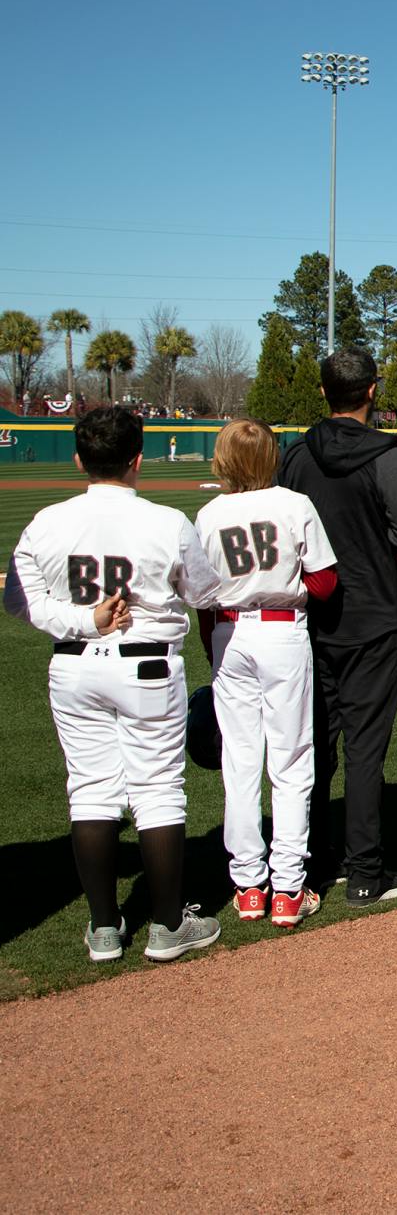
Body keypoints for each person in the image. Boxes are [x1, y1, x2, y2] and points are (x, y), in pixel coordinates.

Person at [6, 406, 226, 962]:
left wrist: (83, 621)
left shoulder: (47, 522)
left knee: (90, 788)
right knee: (156, 790)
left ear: (79, 458)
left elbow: (19, 601)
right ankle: (168, 927)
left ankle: (105, 928)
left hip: (75, 666)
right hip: (148, 665)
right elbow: (203, 594)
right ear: (138, 458)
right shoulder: (165, 520)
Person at [279, 347, 397, 907]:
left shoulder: (296, 455)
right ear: (372, 390)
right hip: (371, 614)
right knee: (365, 750)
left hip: (309, 615)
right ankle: (366, 871)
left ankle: (307, 866)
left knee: (312, 748)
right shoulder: (385, 456)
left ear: (323, 392)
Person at [196, 419, 338, 927]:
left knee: (239, 761)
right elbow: (323, 582)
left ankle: (248, 886)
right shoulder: (294, 503)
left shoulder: (209, 513)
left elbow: (201, 595)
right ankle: (288, 889)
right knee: (292, 758)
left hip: (228, 633)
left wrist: (212, 646)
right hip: (281, 630)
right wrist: (290, 588)